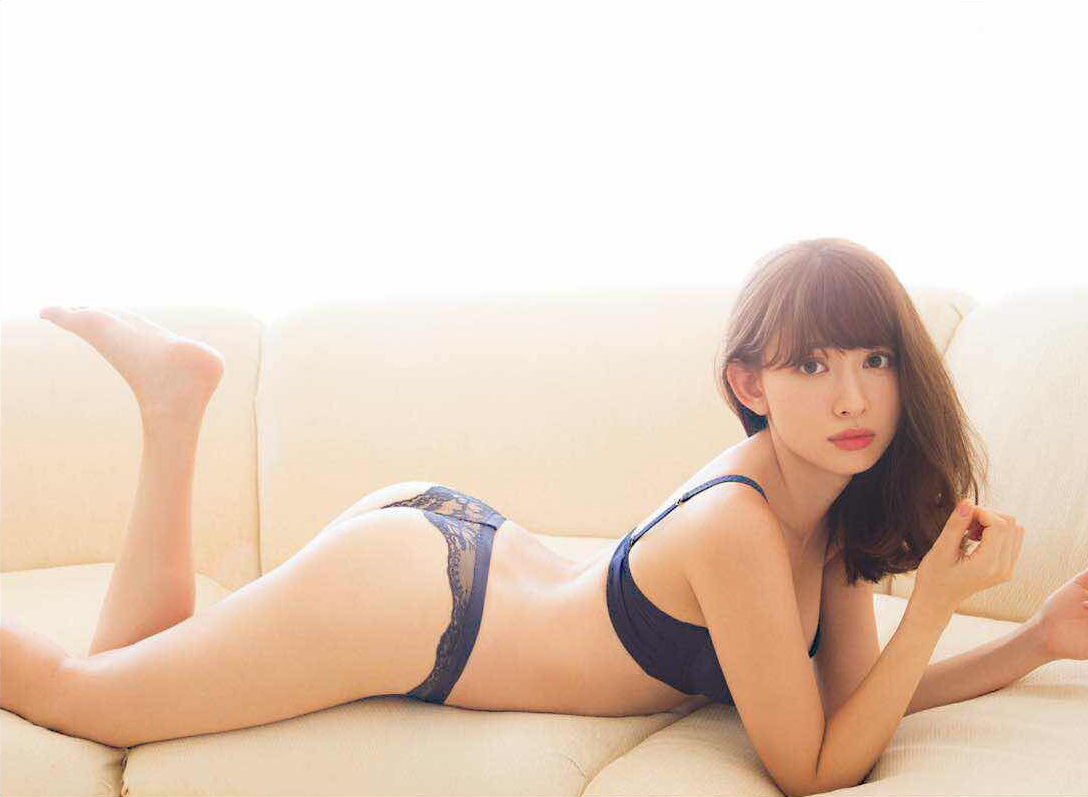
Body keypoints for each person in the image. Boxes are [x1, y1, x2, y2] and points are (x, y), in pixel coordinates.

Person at [2, 239, 1070, 785]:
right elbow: (811, 769)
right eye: (811, 364)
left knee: (117, 674)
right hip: (414, 603)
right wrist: (933, 603)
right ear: (749, 382)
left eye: (875, 359)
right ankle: (172, 404)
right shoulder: (741, 526)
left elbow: (855, 705)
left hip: (462, 557)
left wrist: (1033, 641)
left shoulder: (825, 509)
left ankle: (172, 405)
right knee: (82, 698)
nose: (851, 397)